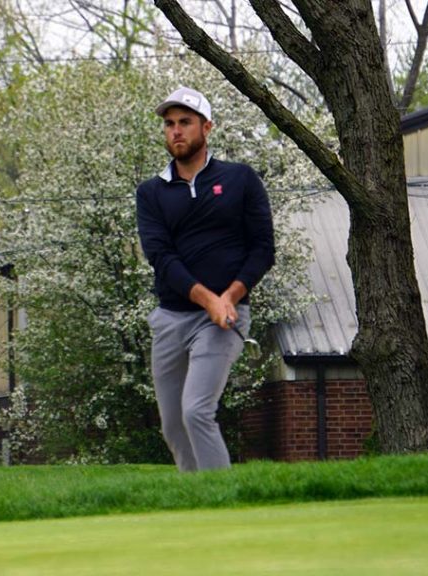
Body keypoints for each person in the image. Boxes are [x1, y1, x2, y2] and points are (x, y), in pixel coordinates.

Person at [135, 86, 275, 472]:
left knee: (196, 410)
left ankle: (223, 500)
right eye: (169, 124)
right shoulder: (151, 193)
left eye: (185, 122)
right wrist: (209, 300)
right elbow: (161, 259)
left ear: (206, 127)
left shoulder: (240, 179)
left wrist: (228, 296)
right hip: (171, 319)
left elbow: (263, 249)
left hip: (223, 319)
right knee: (173, 425)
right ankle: (197, 502)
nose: (176, 131)